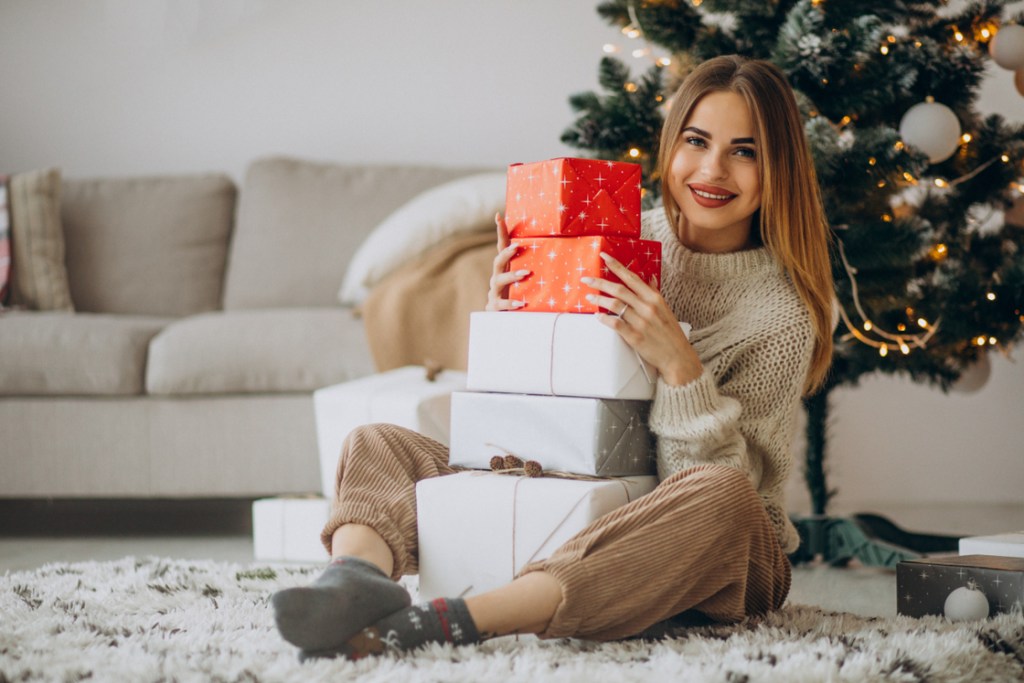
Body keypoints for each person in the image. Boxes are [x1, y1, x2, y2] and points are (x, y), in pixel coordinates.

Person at [271, 54, 835, 660]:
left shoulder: (783, 314)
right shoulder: (618, 241)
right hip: (572, 499)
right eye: (696, 141)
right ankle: (356, 581)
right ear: (670, 147)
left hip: (715, 552)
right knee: (377, 442)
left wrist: (681, 369)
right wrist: (514, 318)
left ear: (778, 169)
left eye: (745, 152)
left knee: (724, 495)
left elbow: (712, 488)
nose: (713, 169)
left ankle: (458, 619)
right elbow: (542, 400)